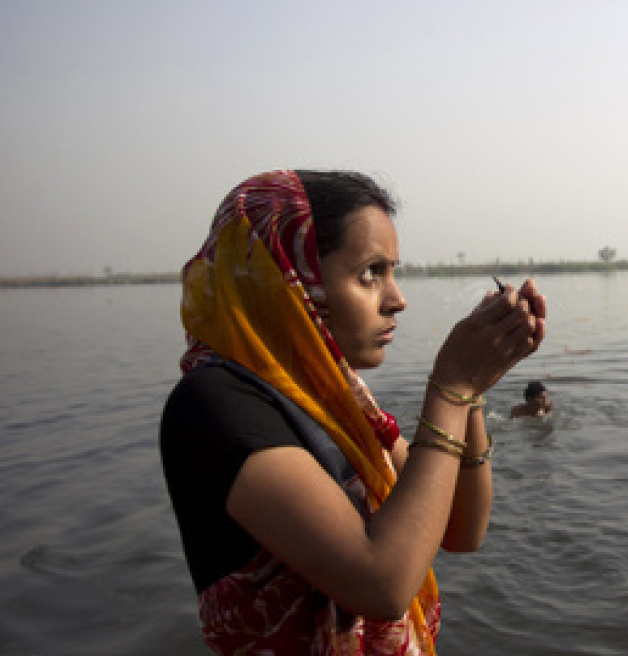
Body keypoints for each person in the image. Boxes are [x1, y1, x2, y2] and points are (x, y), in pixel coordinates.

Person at [159, 170, 547, 654]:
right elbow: (382, 583)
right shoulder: (216, 401)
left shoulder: (340, 406)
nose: (397, 300)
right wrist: (451, 388)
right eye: (370, 273)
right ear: (290, 278)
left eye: (393, 272)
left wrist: (472, 391)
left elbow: (462, 528)